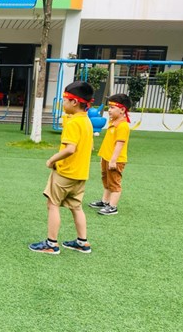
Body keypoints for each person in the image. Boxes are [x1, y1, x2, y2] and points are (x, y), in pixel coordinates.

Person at [29, 81, 94, 255]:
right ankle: (82, 242)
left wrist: (52, 160)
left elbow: (70, 149)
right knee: (76, 207)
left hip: (65, 173)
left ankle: (51, 243)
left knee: (53, 204)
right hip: (80, 174)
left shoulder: (73, 123)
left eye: (65, 100)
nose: (63, 103)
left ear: (74, 102)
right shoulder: (86, 121)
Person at [89, 93, 133, 216]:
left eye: (112, 107)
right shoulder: (113, 122)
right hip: (106, 157)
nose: (109, 110)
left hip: (115, 160)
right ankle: (105, 201)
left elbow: (120, 144)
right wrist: (103, 157)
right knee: (106, 180)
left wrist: (113, 160)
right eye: (109, 107)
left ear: (122, 110)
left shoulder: (123, 126)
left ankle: (113, 207)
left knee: (114, 182)